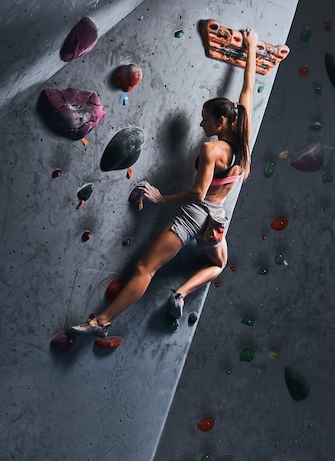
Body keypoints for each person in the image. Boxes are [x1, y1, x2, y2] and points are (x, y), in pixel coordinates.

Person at [68, 29, 259, 337]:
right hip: (218, 221)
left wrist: (159, 198)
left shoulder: (212, 149)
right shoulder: (244, 139)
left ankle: (101, 323)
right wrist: (251, 47)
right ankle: (181, 294)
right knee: (219, 264)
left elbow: (198, 193)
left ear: (220, 122)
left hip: (196, 215)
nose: (201, 124)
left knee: (145, 268)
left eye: (206, 119)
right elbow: (248, 87)